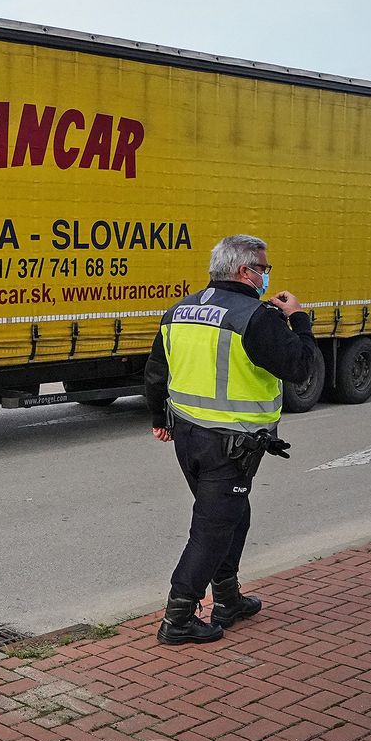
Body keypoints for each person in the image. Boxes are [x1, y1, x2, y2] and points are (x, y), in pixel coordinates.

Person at [144, 234, 315, 645]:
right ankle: (178, 618)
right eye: (265, 269)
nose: (267, 277)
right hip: (230, 443)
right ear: (245, 271)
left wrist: (158, 417)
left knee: (233, 517)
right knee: (212, 529)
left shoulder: (179, 310)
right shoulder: (255, 317)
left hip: (188, 436)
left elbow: (155, 371)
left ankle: (228, 598)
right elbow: (302, 367)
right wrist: (299, 318)